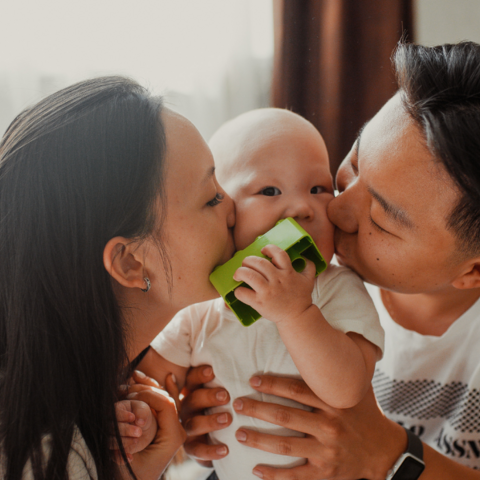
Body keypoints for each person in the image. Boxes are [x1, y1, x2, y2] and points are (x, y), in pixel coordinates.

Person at [186, 41, 480, 479]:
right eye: (355, 164)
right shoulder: (297, 274)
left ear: (472, 270)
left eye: (381, 218)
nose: (336, 209)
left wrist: (389, 455)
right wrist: (201, 417)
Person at [0, 76, 235, 479]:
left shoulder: (107, 395)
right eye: (211, 198)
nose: (234, 206)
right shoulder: (49, 453)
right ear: (129, 263)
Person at [130, 108, 385, 479]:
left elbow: (348, 389)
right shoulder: (203, 305)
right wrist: (144, 419)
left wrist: (295, 313)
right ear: (226, 212)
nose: (302, 207)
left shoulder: (335, 288)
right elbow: (155, 384)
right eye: (269, 190)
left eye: (318, 189)